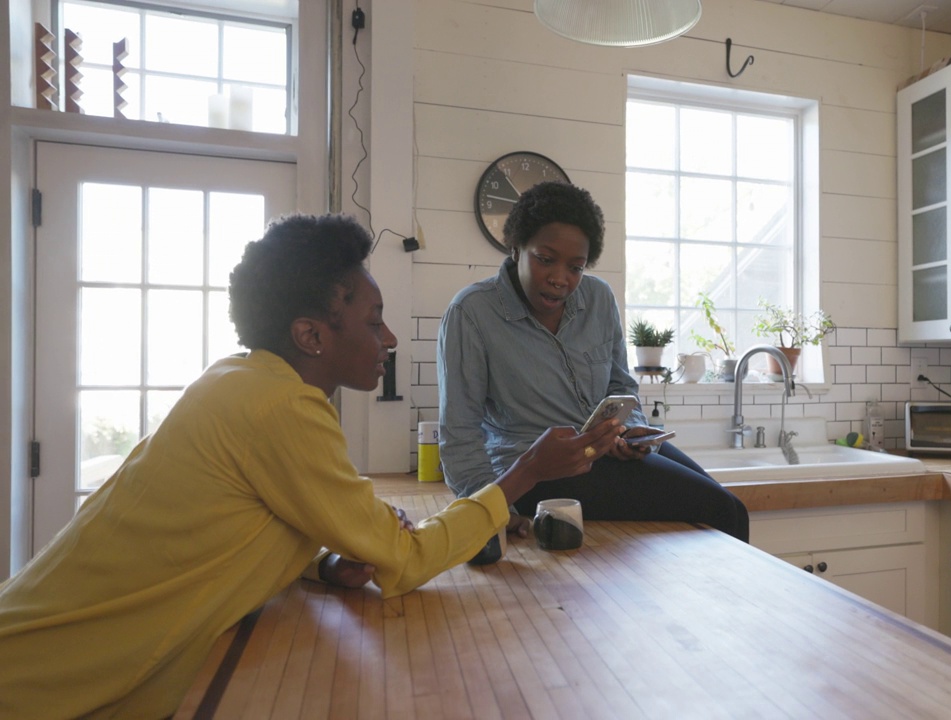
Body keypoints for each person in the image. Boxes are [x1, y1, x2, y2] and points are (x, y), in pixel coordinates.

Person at [0, 213, 621, 719]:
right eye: (373, 321)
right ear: (311, 335)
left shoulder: (239, 382)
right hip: (39, 689)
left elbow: (228, 526)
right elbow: (405, 562)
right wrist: (525, 473)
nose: (389, 341)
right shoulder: (279, 409)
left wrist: (322, 563)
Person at [438, 182, 750, 543]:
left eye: (576, 267)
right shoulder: (472, 313)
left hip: (602, 453)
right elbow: (458, 435)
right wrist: (493, 510)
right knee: (723, 511)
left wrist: (628, 430)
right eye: (545, 259)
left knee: (732, 509)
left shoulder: (598, 298)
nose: (560, 279)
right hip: (534, 471)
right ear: (516, 247)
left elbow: (621, 386)